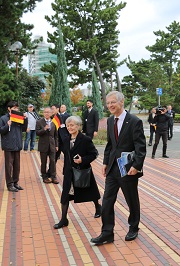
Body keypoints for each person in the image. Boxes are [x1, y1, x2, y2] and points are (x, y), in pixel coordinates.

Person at [91, 91, 146, 245]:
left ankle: (133, 227)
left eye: (113, 102)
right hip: (112, 169)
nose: (110, 106)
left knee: (131, 199)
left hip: (128, 168)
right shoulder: (110, 121)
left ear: (122, 102)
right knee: (107, 200)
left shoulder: (134, 121)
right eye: (108, 103)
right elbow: (110, 145)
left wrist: (136, 166)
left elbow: (140, 147)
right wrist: (105, 162)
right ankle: (107, 232)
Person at [53, 116, 101, 229]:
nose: (70, 127)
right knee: (65, 196)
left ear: (78, 126)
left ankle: (98, 207)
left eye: (72, 125)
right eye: (68, 125)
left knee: (90, 192)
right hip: (69, 172)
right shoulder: (65, 139)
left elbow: (94, 153)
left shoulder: (85, 139)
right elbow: (61, 151)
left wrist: (82, 160)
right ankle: (64, 219)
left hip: (82, 171)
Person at [0, 101, 28, 192]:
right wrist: (7, 125)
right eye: (14, 108)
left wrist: (25, 119)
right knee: (9, 166)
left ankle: (15, 182)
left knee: (17, 166)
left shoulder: (18, 117)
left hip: (17, 145)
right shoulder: (4, 118)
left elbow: (23, 129)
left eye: (17, 108)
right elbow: (0, 130)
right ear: (9, 108)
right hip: (8, 145)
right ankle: (9, 184)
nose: (16, 109)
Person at [36, 107, 59, 184]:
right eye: (45, 112)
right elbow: (37, 133)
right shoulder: (39, 122)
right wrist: (44, 129)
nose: (46, 113)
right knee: (43, 162)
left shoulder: (53, 122)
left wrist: (56, 145)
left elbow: (56, 135)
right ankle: (44, 176)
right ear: (43, 113)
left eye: (48, 112)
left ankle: (53, 176)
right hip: (43, 145)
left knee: (52, 161)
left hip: (52, 145)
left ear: (51, 113)